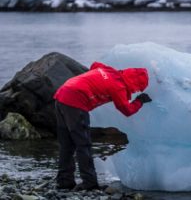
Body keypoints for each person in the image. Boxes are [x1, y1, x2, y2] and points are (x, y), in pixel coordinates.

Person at [53, 61, 152, 191]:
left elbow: (95, 65)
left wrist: (95, 81)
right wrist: (140, 100)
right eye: (138, 88)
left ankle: (64, 182)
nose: (136, 91)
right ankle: (90, 183)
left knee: (67, 144)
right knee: (83, 145)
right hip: (75, 102)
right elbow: (127, 110)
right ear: (134, 84)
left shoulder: (110, 71)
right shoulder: (119, 87)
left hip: (61, 95)